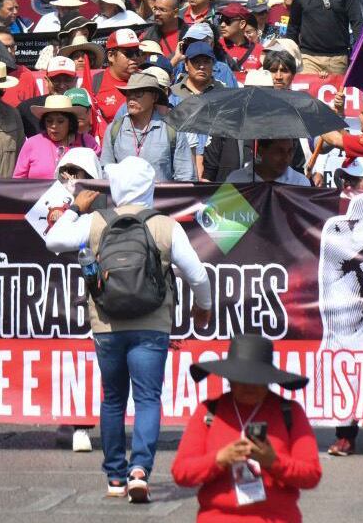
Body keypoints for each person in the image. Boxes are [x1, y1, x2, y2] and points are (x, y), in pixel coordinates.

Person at [44, 156, 213, 502]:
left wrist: (75, 207)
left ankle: (115, 478)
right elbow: (197, 275)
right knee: (148, 398)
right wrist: (203, 309)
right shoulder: (165, 225)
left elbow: (53, 241)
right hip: (152, 323)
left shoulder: (94, 222)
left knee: (113, 399)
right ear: (150, 188)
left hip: (107, 323)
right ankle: (140, 470)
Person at [173, 335, 323, 522]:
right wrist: (219, 459)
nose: (249, 385)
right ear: (229, 378)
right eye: (242, 378)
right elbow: (181, 473)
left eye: (257, 379)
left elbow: (311, 475)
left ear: (269, 379)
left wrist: (273, 461)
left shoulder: (290, 412)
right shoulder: (209, 412)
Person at [98, 68, 193, 181]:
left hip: (160, 198)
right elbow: (106, 171)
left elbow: (186, 176)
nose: (132, 97)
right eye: (129, 93)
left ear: (154, 97)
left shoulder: (172, 130)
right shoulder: (114, 129)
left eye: (138, 93)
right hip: (124, 199)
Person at [288, 0, 363, 75]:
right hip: (308, 58)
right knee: (306, 95)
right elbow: (293, 26)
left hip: (337, 59)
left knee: (335, 95)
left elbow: (357, 24)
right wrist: (290, 52)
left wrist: (360, 51)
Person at [14, 92, 97, 180]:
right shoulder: (32, 144)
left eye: (60, 121)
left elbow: (99, 174)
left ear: (70, 122)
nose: (54, 126)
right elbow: (18, 181)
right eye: (49, 121)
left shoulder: (88, 142)